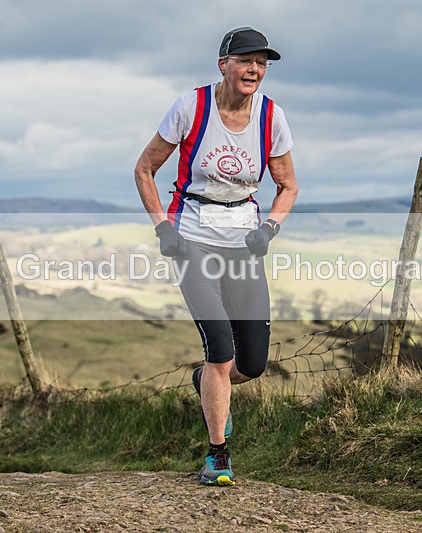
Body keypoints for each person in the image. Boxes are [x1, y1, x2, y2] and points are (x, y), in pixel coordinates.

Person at [134, 26, 298, 486]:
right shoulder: (192, 107)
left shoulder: (272, 117)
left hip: (244, 241)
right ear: (223, 64)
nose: (254, 69)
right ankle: (218, 456)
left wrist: (269, 228)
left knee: (251, 365)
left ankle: (206, 384)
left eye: (262, 63)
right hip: (194, 239)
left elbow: (288, 185)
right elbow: (145, 168)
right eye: (246, 60)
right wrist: (164, 229)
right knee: (221, 353)